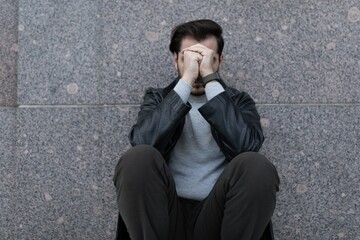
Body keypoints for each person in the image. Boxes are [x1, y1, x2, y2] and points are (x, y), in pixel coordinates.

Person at [113, 19, 280, 240]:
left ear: (219, 60)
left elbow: (247, 147)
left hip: (218, 216)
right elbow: (143, 142)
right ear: (176, 59)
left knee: (257, 165)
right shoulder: (158, 98)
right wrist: (187, 79)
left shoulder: (238, 101)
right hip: (165, 216)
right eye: (189, 58)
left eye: (207, 58)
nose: (199, 67)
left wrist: (211, 80)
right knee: (137, 157)